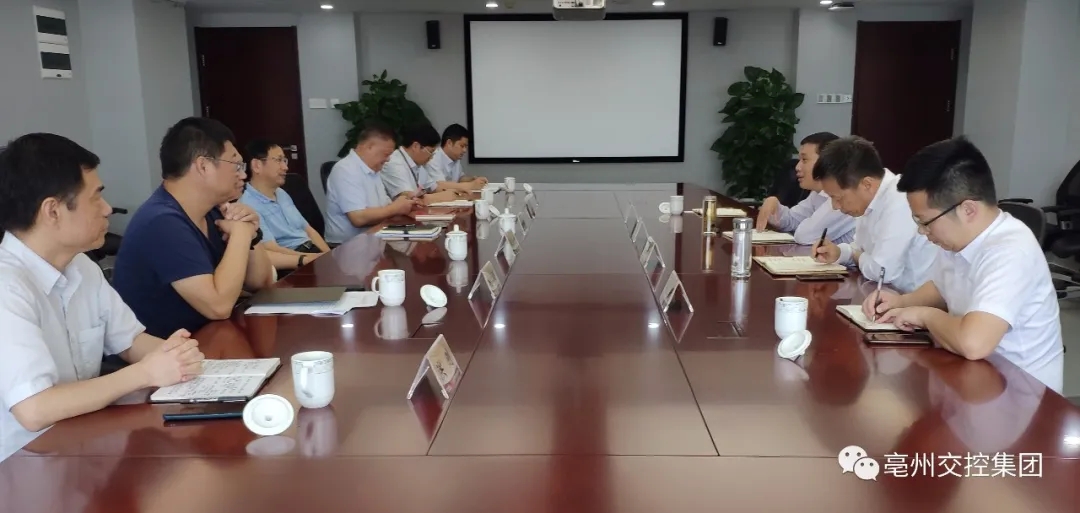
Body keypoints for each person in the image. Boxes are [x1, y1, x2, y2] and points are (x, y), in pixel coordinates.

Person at [0, 133, 204, 461]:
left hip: (83, 446)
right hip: (24, 465)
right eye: (96, 197)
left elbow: (130, 341)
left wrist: (177, 356)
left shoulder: (80, 265)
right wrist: (146, 373)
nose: (107, 208)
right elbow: (34, 409)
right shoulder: (7, 286)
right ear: (52, 211)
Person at [863, 137, 1064, 393]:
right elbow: (942, 286)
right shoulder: (957, 239)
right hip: (974, 377)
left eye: (925, 221)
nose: (922, 231)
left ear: (968, 210)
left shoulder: (1011, 249)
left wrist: (925, 316)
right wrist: (901, 302)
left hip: (1021, 392)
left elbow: (973, 343)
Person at [113, 117, 275, 338]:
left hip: (211, 339)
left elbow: (261, 283)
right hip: (165, 353)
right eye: (236, 165)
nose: (243, 175)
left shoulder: (213, 211)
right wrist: (240, 234)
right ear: (203, 166)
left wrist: (250, 232)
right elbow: (218, 306)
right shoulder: (161, 222)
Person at [810, 136, 937, 293]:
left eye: (838, 198)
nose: (835, 206)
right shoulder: (870, 201)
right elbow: (858, 248)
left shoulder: (900, 199)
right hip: (886, 294)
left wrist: (857, 255)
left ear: (867, 184)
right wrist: (839, 252)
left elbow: (882, 272)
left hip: (913, 299)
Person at [323, 121, 421, 245]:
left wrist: (406, 204)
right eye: (386, 154)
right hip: (347, 245)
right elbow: (358, 218)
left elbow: (384, 207)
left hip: (375, 238)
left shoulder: (373, 169)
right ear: (369, 147)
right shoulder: (346, 169)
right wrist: (395, 208)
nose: (388, 159)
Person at [239, 139, 328, 271]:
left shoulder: (281, 193)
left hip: (312, 253)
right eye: (278, 160)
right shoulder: (247, 204)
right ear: (257, 165)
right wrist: (315, 259)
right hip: (291, 263)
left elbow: (308, 230)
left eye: (284, 161)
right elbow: (272, 249)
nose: (285, 167)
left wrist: (329, 256)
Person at [755, 132, 856, 244]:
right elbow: (792, 220)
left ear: (826, 163)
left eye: (804, 160)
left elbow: (804, 236)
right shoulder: (817, 194)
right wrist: (773, 205)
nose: (797, 167)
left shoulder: (845, 197)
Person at [379, 124, 467, 204]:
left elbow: (434, 187)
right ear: (416, 146)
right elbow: (409, 199)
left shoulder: (418, 165)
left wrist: (457, 192)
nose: (432, 157)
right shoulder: (394, 163)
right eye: (431, 152)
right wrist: (440, 197)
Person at [426, 123, 487, 189]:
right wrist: (471, 185)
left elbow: (459, 178)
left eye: (466, 147)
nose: (465, 150)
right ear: (449, 143)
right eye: (462, 146)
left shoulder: (455, 157)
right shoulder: (433, 158)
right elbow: (441, 185)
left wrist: (473, 179)